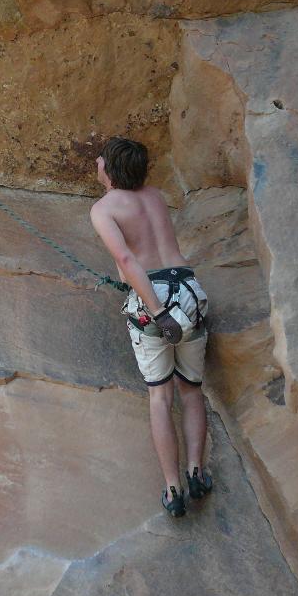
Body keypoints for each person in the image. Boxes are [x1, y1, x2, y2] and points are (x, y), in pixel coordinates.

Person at [90, 136, 213, 517]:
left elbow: (127, 259)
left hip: (154, 296)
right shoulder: (156, 196)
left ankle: (173, 489)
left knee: (161, 398)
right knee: (191, 392)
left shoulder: (104, 208)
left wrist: (158, 311)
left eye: (100, 162)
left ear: (107, 170)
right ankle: (197, 471)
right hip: (189, 288)